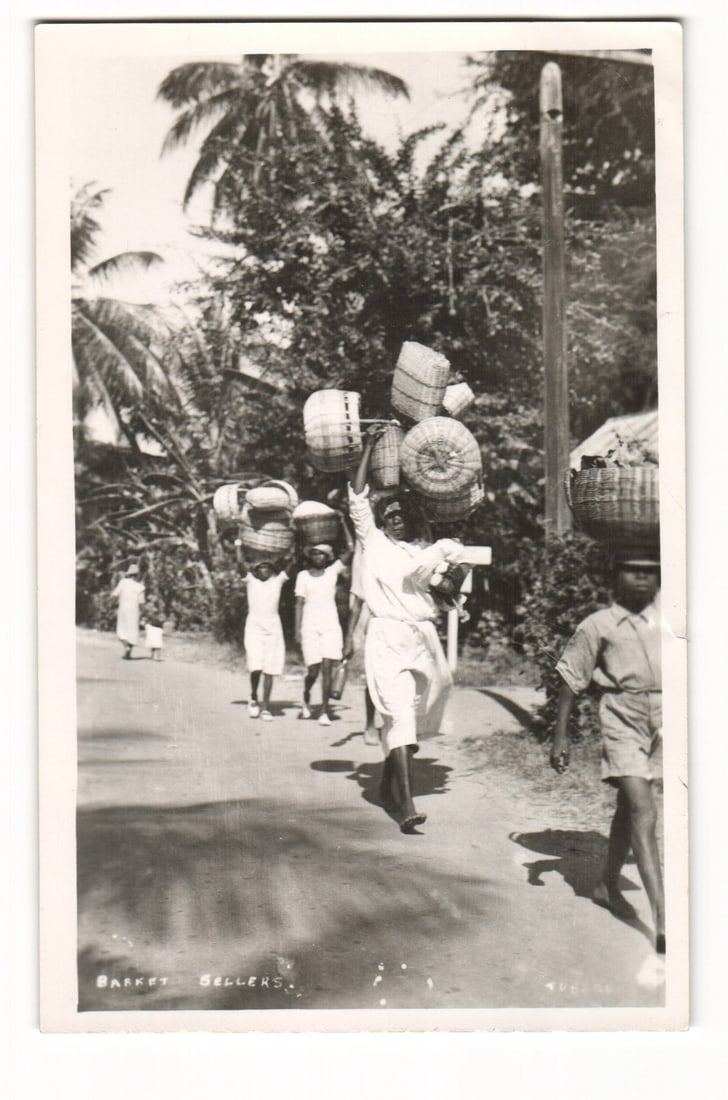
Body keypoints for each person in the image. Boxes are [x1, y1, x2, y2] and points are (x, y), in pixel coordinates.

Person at [346, 425, 463, 833]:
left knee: (420, 711)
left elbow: (448, 594)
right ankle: (406, 806)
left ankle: (386, 781)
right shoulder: (373, 543)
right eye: (389, 516)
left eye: (401, 516)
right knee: (398, 714)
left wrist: (452, 579)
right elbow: (358, 498)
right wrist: (369, 448)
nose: (395, 520)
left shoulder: (425, 553)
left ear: (411, 520)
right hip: (387, 637)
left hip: (423, 638)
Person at [550, 556, 665, 954]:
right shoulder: (598, 625)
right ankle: (663, 919)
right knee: (644, 810)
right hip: (622, 716)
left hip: (667, 717)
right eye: (632, 568)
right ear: (614, 575)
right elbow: (570, 678)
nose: (640, 576)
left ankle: (606, 883)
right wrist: (560, 736)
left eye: (650, 570)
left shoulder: (671, 617)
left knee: (630, 808)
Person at [294, 534, 352, 726]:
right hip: (309, 626)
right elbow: (299, 604)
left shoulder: (332, 571)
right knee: (313, 670)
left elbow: (351, 549)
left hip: (330, 624)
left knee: (328, 667)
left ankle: (325, 710)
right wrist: (297, 630)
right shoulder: (302, 576)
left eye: (322, 555)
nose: (318, 557)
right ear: (310, 557)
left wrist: (343, 522)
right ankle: (306, 694)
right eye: (315, 554)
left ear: (327, 557)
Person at [235, 541, 289, 722]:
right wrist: (238, 545)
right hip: (254, 626)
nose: (264, 569)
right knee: (256, 666)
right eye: (261, 567)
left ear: (272, 570)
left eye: (268, 567)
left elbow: (294, 563)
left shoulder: (278, 581)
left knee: (270, 668)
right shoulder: (251, 581)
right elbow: (240, 564)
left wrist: (297, 542)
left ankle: (265, 707)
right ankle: (253, 698)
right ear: (256, 571)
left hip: (273, 625)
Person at [112, 563, 145, 659]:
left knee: (121, 630)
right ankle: (128, 651)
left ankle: (126, 647)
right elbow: (142, 602)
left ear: (129, 574)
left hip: (123, 609)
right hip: (134, 610)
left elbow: (114, 595)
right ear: (137, 575)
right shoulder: (140, 587)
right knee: (132, 631)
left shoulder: (123, 582)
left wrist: (112, 604)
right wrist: (143, 613)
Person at [142, 594, 164, 661]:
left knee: (158, 641)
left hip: (157, 625)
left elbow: (162, 617)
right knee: (153, 640)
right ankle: (153, 655)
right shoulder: (148, 606)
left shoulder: (160, 607)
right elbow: (145, 615)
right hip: (151, 625)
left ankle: (157, 656)